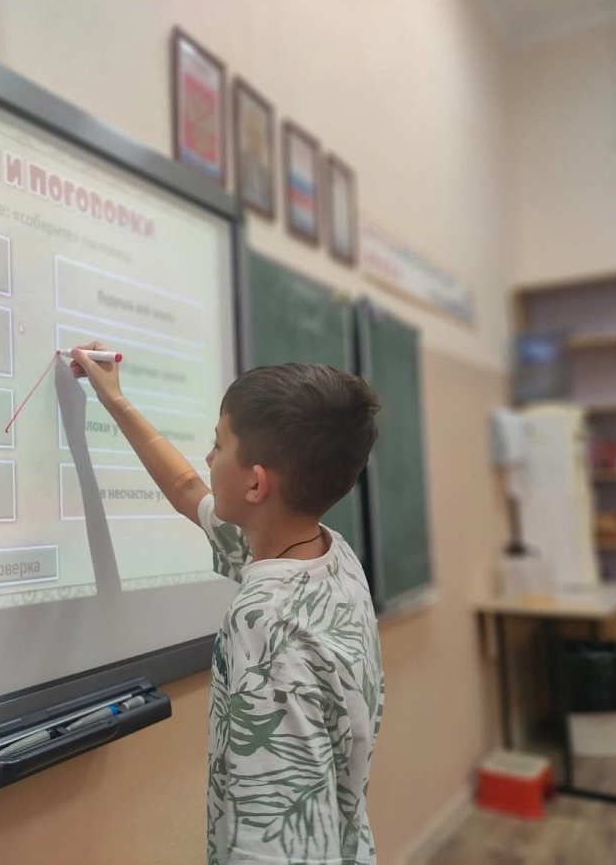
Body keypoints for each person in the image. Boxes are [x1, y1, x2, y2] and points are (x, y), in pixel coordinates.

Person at [69, 344, 385, 865]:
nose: (209, 458)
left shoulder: (266, 624)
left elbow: (275, 840)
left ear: (257, 483)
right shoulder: (329, 554)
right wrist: (115, 400)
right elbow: (186, 489)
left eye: (218, 444)